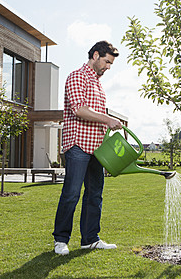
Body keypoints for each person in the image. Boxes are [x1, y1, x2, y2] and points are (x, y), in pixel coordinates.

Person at [53, 40, 123, 255]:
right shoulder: (77, 77)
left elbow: (96, 117)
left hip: (97, 148)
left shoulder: (98, 84)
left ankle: (90, 239)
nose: (108, 67)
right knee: (72, 193)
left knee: (95, 195)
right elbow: (79, 110)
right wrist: (107, 119)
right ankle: (61, 240)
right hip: (78, 145)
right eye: (107, 62)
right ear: (95, 55)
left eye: (110, 64)